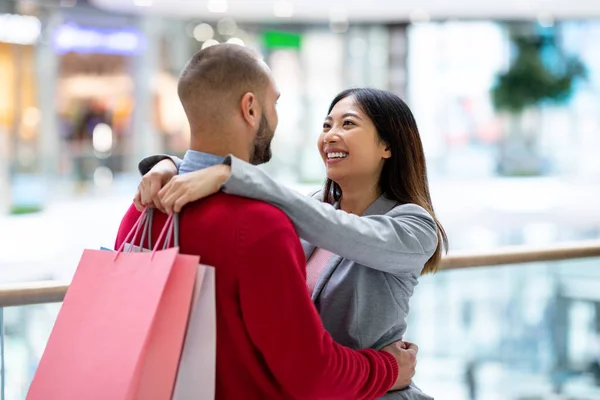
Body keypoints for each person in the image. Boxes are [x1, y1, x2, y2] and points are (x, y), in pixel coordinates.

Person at [116, 44, 417, 399]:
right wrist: (388, 367)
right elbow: (312, 374)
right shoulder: (260, 226)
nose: (276, 116)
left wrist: (171, 163)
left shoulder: (143, 209)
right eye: (274, 103)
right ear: (250, 108)